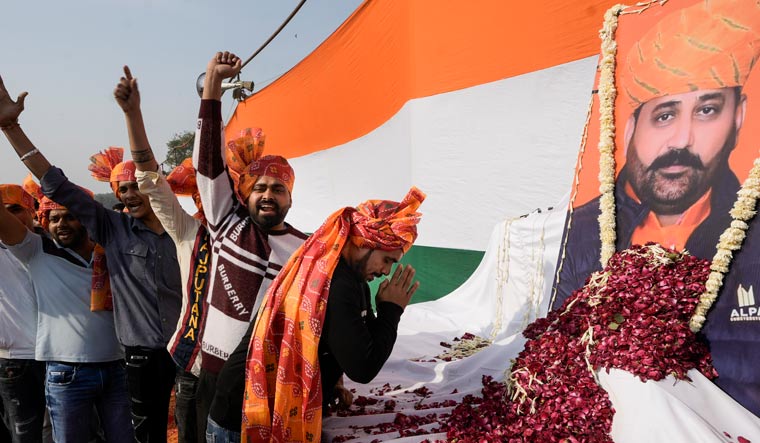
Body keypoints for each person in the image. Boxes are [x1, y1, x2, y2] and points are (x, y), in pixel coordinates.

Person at [552, 0, 760, 416]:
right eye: (664, 115)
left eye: (707, 110)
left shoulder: (751, 233)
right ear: (630, 127)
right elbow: (560, 342)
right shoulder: (584, 230)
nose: (681, 140)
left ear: (738, 117)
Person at [0, 75, 183, 442]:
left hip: (151, 363)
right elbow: (54, 183)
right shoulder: (62, 244)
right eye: (123, 189)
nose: (131, 195)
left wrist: (134, 114)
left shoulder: (179, 231)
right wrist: (11, 127)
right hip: (83, 372)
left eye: (138, 187)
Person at [240, 187, 425, 442]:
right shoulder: (337, 283)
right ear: (365, 242)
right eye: (387, 260)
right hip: (242, 419)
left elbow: (358, 342)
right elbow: (363, 368)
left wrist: (333, 382)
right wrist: (391, 311)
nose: (386, 271)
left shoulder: (353, 280)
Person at [193, 51, 308, 436]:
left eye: (278, 188)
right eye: (259, 187)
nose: (268, 194)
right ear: (245, 193)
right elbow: (208, 163)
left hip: (272, 381)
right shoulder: (226, 223)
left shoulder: (306, 249)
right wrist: (212, 86)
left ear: (290, 199)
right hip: (213, 373)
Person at [114, 65, 210, 443]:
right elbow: (151, 179)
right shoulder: (188, 230)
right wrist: (133, 114)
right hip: (190, 360)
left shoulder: (258, 239)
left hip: (232, 368)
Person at [0, 180, 133, 442]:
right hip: (67, 374)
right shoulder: (37, 251)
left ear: (86, 218)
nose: (61, 224)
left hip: (116, 368)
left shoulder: (110, 252)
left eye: (70, 217)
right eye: (53, 218)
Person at [0, 184, 48, 443]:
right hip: (15, 360)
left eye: (16, 209)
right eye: (4, 211)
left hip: (61, 356)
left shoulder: (53, 246)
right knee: (25, 434)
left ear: (32, 210)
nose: (9, 217)